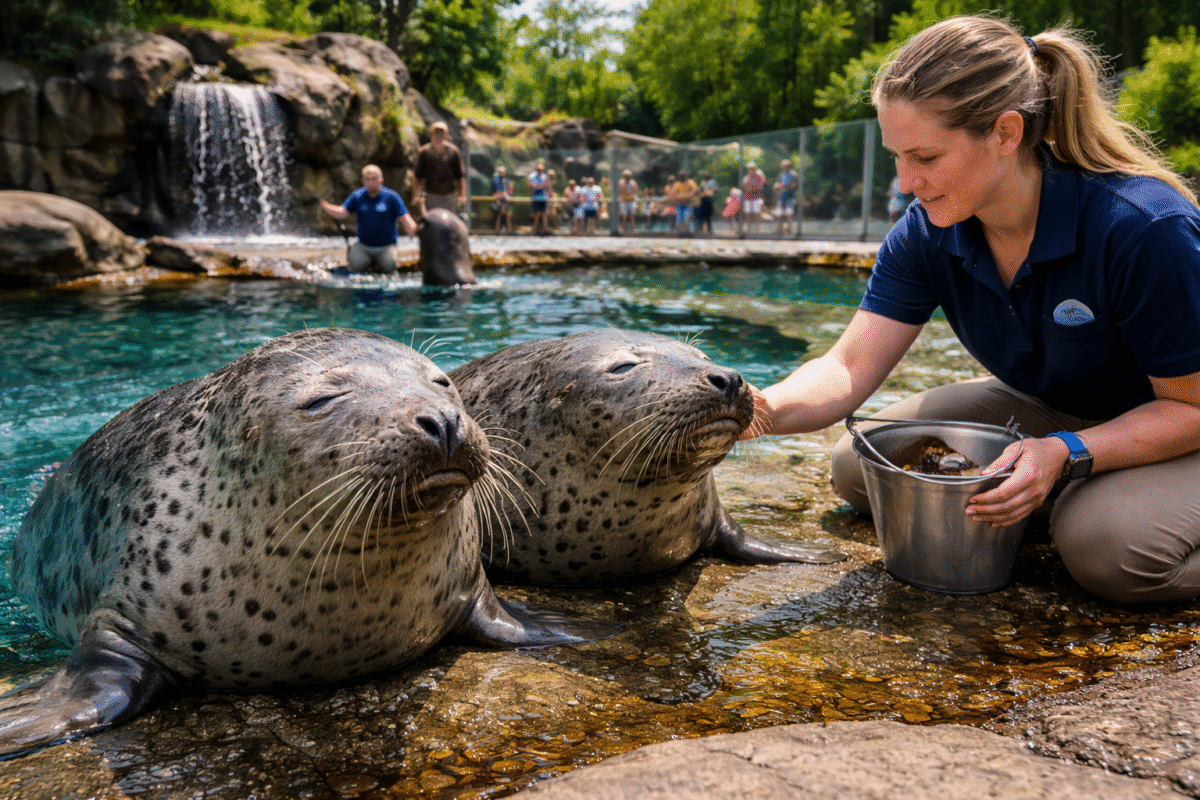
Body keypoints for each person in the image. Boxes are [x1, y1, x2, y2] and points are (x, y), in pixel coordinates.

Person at [742, 15, 1200, 605]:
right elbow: (847, 370)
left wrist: (1066, 454)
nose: (906, 182)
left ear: (1006, 134)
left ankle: (1094, 504)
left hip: (1179, 422)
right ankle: (1065, 493)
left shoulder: (1143, 227)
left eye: (925, 157)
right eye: (897, 157)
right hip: (1061, 407)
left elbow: (1190, 406)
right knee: (864, 468)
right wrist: (757, 409)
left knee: (1107, 550)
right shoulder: (930, 231)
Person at [319, 164, 417, 273]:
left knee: (390, 266)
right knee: (356, 266)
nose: (371, 182)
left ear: (381, 179)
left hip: (386, 246)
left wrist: (416, 232)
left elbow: (406, 219)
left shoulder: (392, 197)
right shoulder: (357, 196)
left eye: (374, 179)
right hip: (363, 245)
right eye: (367, 179)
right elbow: (342, 212)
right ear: (363, 181)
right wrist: (325, 205)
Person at [412, 120, 467, 217]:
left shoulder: (453, 151)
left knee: (448, 223)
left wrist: (462, 195)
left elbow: (460, 176)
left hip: (448, 196)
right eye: (436, 132)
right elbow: (418, 176)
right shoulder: (424, 152)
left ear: (446, 135)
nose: (439, 135)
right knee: (431, 222)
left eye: (442, 132)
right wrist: (415, 195)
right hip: (430, 195)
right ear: (432, 134)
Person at [669, 170, 699, 236]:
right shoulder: (677, 184)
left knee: (686, 219)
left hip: (688, 205)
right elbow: (673, 194)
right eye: (681, 176)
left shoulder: (690, 182)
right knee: (678, 220)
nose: (682, 177)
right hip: (680, 205)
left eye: (683, 176)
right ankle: (681, 232)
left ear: (686, 176)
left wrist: (686, 195)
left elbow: (695, 190)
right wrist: (683, 196)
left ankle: (685, 232)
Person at [774, 159, 798, 236]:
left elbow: (793, 186)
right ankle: (780, 231)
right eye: (783, 166)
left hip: (789, 197)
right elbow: (777, 184)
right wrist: (777, 187)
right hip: (781, 197)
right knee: (779, 214)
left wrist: (783, 186)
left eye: (786, 166)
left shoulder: (793, 174)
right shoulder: (781, 174)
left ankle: (789, 231)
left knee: (788, 214)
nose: (784, 168)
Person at [741, 162, 766, 235]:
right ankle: (747, 230)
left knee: (756, 214)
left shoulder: (759, 175)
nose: (751, 169)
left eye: (752, 168)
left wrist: (752, 188)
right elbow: (744, 186)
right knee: (747, 214)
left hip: (756, 197)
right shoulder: (747, 177)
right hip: (748, 198)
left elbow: (761, 186)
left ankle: (757, 231)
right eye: (749, 168)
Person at [528, 160, 550, 234]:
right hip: (536, 196)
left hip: (543, 196)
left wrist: (540, 186)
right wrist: (539, 186)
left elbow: (546, 184)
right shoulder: (532, 175)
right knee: (537, 214)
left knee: (544, 213)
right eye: (539, 169)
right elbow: (530, 184)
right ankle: (535, 229)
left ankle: (545, 229)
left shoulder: (544, 176)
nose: (540, 171)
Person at [618, 170, 639, 234]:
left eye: (628, 176)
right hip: (624, 201)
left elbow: (635, 191)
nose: (627, 177)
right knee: (624, 216)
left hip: (631, 201)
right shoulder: (621, 182)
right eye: (626, 176)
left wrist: (631, 194)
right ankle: (623, 229)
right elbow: (620, 191)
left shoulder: (633, 183)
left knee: (632, 216)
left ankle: (632, 230)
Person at [492, 166, 512, 233]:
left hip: (505, 199)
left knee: (506, 214)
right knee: (501, 213)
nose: (501, 173)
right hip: (499, 199)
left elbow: (509, 189)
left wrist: (508, 194)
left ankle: (507, 229)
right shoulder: (496, 180)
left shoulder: (506, 180)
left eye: (502, 172)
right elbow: (495, 191)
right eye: (500, 172)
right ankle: (498, 229)